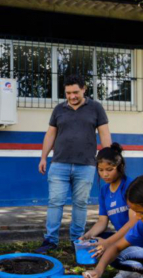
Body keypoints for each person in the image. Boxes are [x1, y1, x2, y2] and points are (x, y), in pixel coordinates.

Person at [36, 74, 112, 253]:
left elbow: (104, 133)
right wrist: (43, 157)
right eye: (68, 93)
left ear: (84, 89)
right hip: (59, 164)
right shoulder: (59, 109)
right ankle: (50, 241)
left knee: (80, 203)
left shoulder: (96, 108)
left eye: (75, 92)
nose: (72, 96)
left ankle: (77, 240)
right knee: (55, 202)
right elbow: (50, 134)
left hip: (86, 165)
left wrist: (107, 157)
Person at [79, 143, 143, 274]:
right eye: (101, 170)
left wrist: (108, 243)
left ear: (120, 167)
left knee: (111, 254)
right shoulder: (104, 191)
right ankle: (131, 270)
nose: (105, 174)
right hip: (125, 239)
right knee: (93, 242)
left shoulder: (130, 186)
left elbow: (133, 222)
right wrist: (86, 237)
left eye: (109, 169)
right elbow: (102, 222)